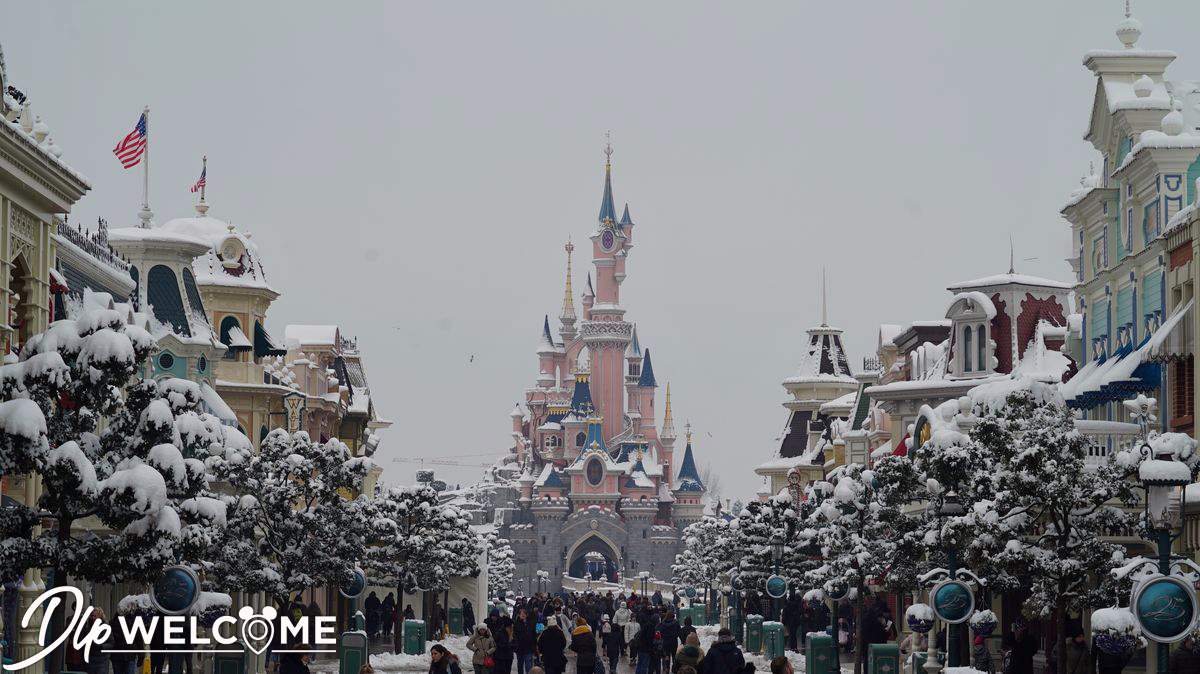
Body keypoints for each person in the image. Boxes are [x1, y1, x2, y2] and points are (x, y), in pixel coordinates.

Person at [81, 609, 112, 674]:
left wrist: (102, 646)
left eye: (94, 616)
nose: (92, 618)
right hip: (89, 660)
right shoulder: (87, 627)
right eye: (91, 616)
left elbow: (111, 643)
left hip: (101, 660)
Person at [513, 608, 538, 674]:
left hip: (528, 648)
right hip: (519, 648)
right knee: (520, 665)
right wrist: (515, 646)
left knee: (528, 665)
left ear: (526, 615)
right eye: (521, 614)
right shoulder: (516, 624)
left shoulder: (530, 623)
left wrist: (534, 646)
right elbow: (514, 635)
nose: (522, 615)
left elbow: (533, 635)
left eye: (524, 613)